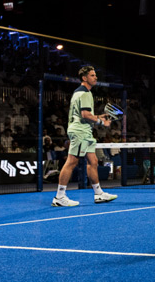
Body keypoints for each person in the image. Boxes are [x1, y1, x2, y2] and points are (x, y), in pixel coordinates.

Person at [52, 66, 117, 207]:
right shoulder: (85, 93)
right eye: (92, 75)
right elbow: (85, 115)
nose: (96, 77)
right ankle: (59, 196)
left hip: (84, 131)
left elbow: (84, 115)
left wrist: (99, 116)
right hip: (80, 132)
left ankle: (99, 194)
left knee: (93, 161)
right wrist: (102, 122)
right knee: (71, 162)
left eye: (95, 75)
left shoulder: (78, 92)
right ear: (84, 78)